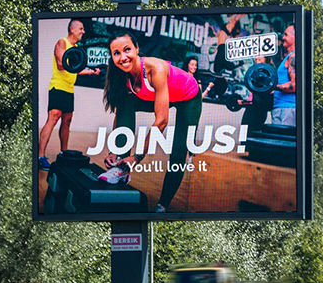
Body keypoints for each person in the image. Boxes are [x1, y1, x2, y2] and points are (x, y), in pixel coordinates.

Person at [100, 34, 202, 212]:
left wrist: (138, 156)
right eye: (116, 53)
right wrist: (114, 150)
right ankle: (121, 168)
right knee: (125, 103)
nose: (123, 57)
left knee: (178, 151)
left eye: (127, 50)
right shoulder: (123, 75)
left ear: (137, 49)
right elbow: (120, 115)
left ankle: (163, 205)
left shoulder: (155, 69)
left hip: (188, 96)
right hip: (161, 96)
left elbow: (161, 121)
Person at [38, 19, 101, 170]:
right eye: (81, 28)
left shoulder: (76, 48)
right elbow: (61, 65)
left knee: (67, 121)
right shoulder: (62, 43)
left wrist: (91, 71)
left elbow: (76, 69)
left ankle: (63, 153)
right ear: (72, 29)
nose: (83, 32)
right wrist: (74, 65)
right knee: (53, 117)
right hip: (58, 87)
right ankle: (40, 156)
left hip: (69, 89)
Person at [271, 24, 296, 126]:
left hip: (287, 109)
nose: (283, 37)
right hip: (280, 108)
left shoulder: (294, 56)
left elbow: (295, 85)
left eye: (286, 35)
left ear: (295, 37)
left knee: (285, 141)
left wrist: (273, 86)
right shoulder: (289, 57)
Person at [241, 55, 274, 128]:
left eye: (259, 55)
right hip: (251, 109)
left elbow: (264, 97)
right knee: (244, 132)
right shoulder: (254, 72)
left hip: (259, 110)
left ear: (266, 58)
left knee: (252, 133)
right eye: (256, 56)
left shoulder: (269, 74)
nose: (256, 57)